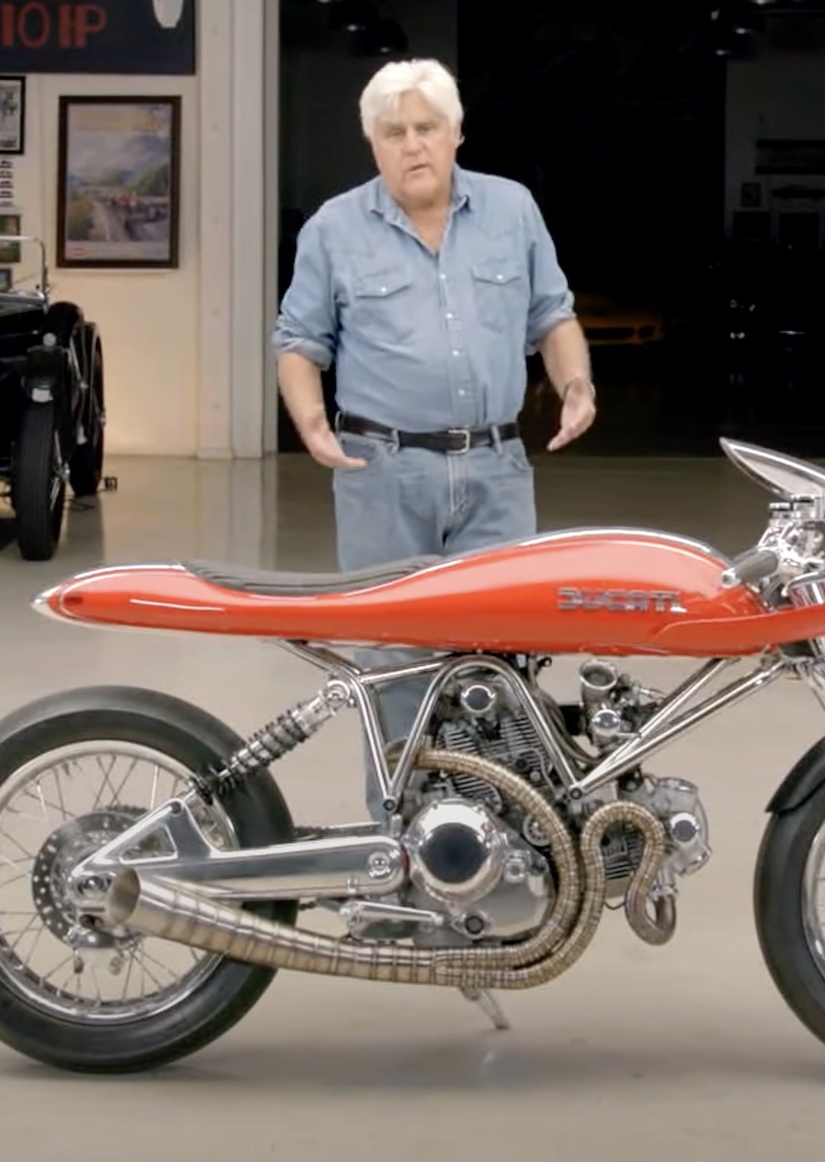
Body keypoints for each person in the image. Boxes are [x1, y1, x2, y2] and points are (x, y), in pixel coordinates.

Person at [271, 57, 595, 817]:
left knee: (498, 662)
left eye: (426, 128)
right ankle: (401, 852)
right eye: (394, 133)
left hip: (495, 469)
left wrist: (576, 383)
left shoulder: (512, 211)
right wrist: (310, 419)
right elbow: (299, 340)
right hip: (383, 473)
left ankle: (498, 841)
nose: (413, 145)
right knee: (393, 664)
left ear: (455, 133)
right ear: (373, 145)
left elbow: (553, 314)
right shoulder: (334, 228)